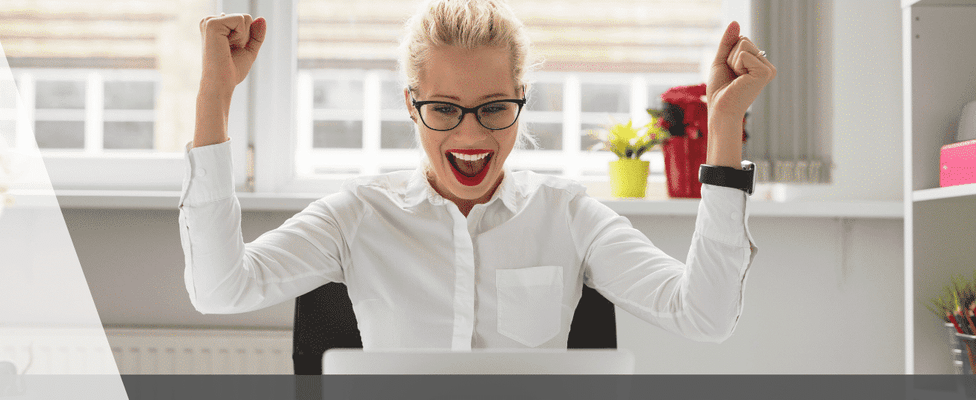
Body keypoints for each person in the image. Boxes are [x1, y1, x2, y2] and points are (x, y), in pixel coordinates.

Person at [180, 0, 775, 349]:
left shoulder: (567, 214)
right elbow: (220, 287)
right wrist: (215, 96)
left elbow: (705, 315)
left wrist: (723, 129)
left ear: (522, 98)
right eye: (443, 110)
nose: (470, 138)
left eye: (494, 108)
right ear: (411, 106)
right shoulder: (357, 213)